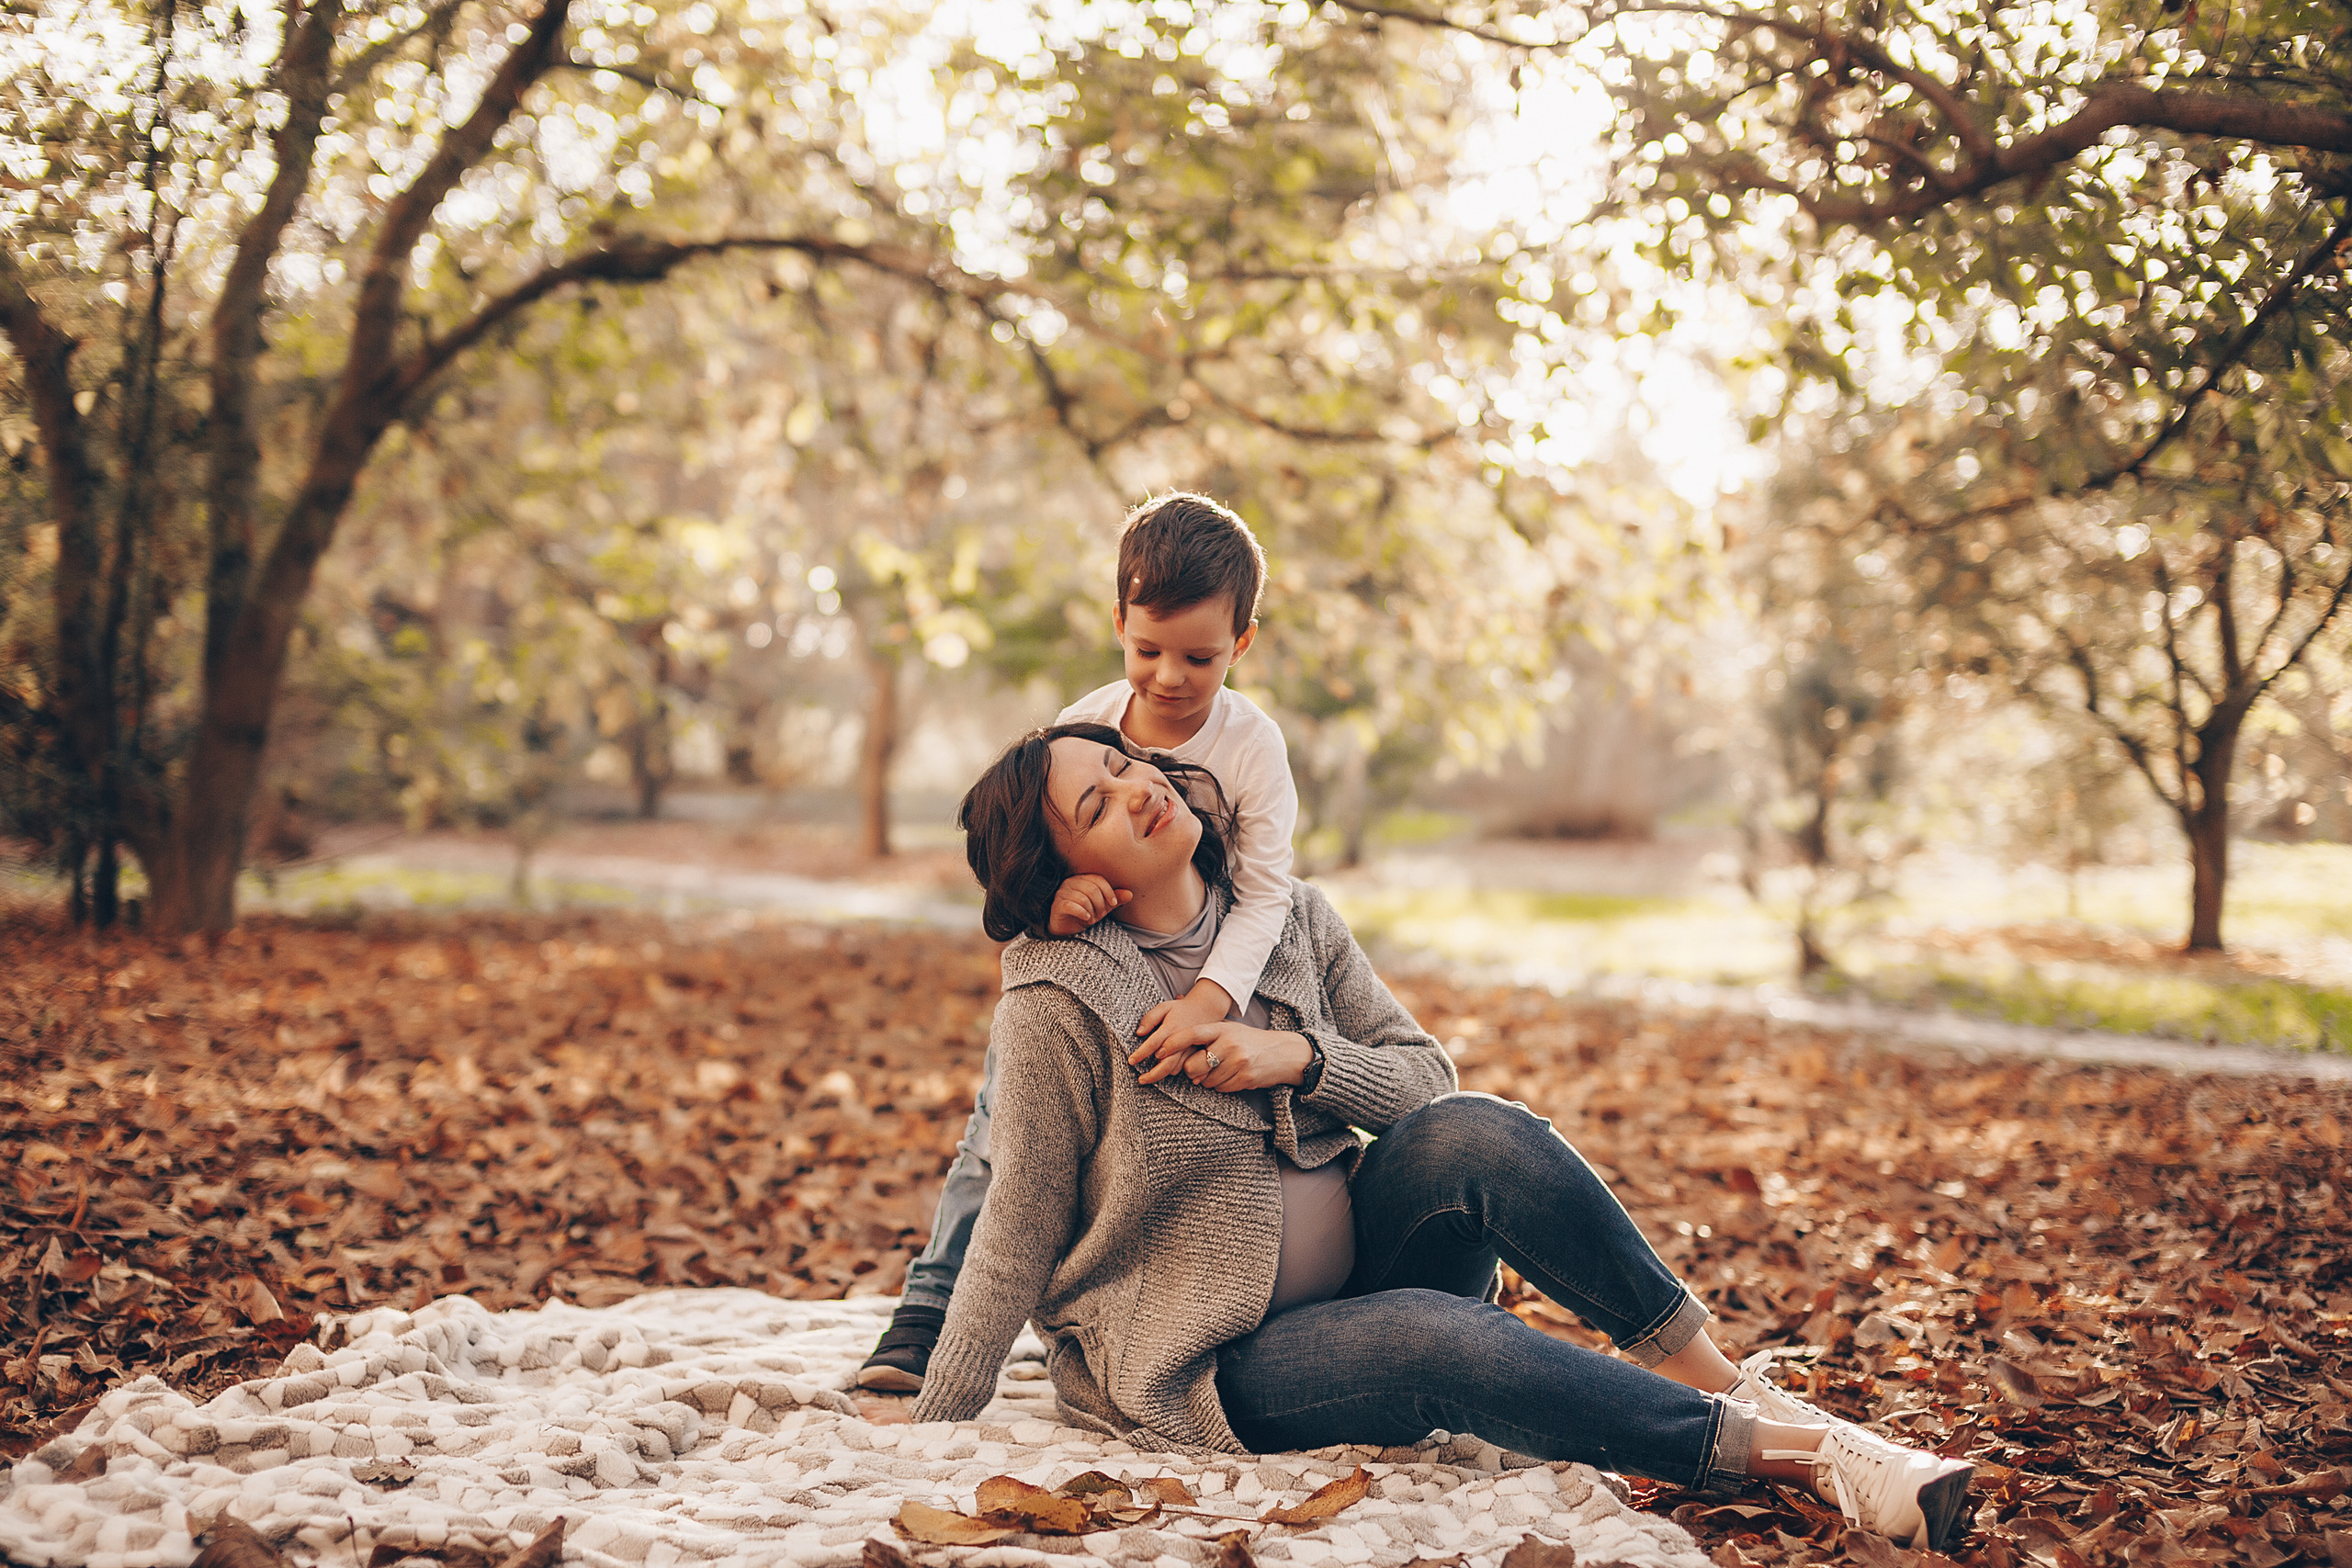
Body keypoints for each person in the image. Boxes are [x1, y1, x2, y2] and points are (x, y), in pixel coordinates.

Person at [883, 725, 1975, 1550]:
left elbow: (1423, 1078)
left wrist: (1300, 1060)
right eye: (1096, 801)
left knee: (1475, 1132)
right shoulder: (1058, 997)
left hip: (1371, 1255)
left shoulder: (1290, 917)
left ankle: (1735, 1386)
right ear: (1064, 866)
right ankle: (1803, 1460)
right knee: (1424, 1334)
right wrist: (941, 1415)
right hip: (1207, 1359)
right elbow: (1019, 1207)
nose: (1139, 789)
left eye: (1129, 767)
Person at [860, 494, 1298, 1390]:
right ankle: (929, 1312)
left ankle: (1150, 1298)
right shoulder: (1085, 727)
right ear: (1117, 625)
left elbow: (1264, 897)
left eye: (1199, 657)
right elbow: (1021, 860)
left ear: (1242, 645)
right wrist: (1054, 901)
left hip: (1205, 970)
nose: (1169, 677)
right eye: (1146, 651)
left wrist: (1210, 1002)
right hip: (1099, 969)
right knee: (1001, 1117)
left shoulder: (1251, 746)